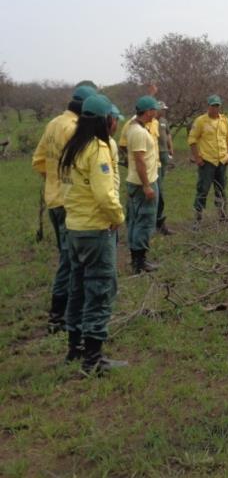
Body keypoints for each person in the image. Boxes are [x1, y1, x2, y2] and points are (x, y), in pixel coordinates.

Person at [58, 93, 128, 374]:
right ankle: (93, 361)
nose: (114, 123)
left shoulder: (73, 147)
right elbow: (104, 194)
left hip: (74, 229)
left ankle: (74, 349)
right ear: (104, 120)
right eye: (111, 118)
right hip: (95, 230)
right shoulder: (98, 149)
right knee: (99, 291)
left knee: (78, 290)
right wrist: (118, 217)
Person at [32, 84, 97, 333]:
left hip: (54, 200)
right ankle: (59, 316)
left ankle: (64, 312)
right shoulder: (73, 129)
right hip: (69, 202)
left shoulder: (53, 124)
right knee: (69, 261)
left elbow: (38, 161)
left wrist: (53, 181)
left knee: (67, 257)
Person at [126, 96, 161, 274]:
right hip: (142, 183)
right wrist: (147, 185)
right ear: (148, 112)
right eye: (154, 109)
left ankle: (136, 259)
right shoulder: (139, 132)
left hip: (135, 182)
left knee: (134, 220)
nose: (156, 112)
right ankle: (140, 262)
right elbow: (140, 160)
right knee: (145, 221)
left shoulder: (134, 126)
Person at [188, 95, 228, 222]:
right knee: (203, 189)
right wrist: (197, 158)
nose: (215, 108)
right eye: (213, 106)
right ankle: (198, 217)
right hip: (207, 162)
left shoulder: (224, 120)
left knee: (221, 189)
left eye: (217, 106)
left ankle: (222, 214)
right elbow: (192, 140)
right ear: (208, 106)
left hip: (222, 161)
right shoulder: (200, 121)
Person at [155, 102, 174, 235]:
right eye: (162, 109)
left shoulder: (164, 121)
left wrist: (170, 148)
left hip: (164, 153)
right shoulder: (151, 121)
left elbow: (168, 135)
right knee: (157, 185)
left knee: (162, 178)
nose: (164, 111)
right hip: (154, 154)